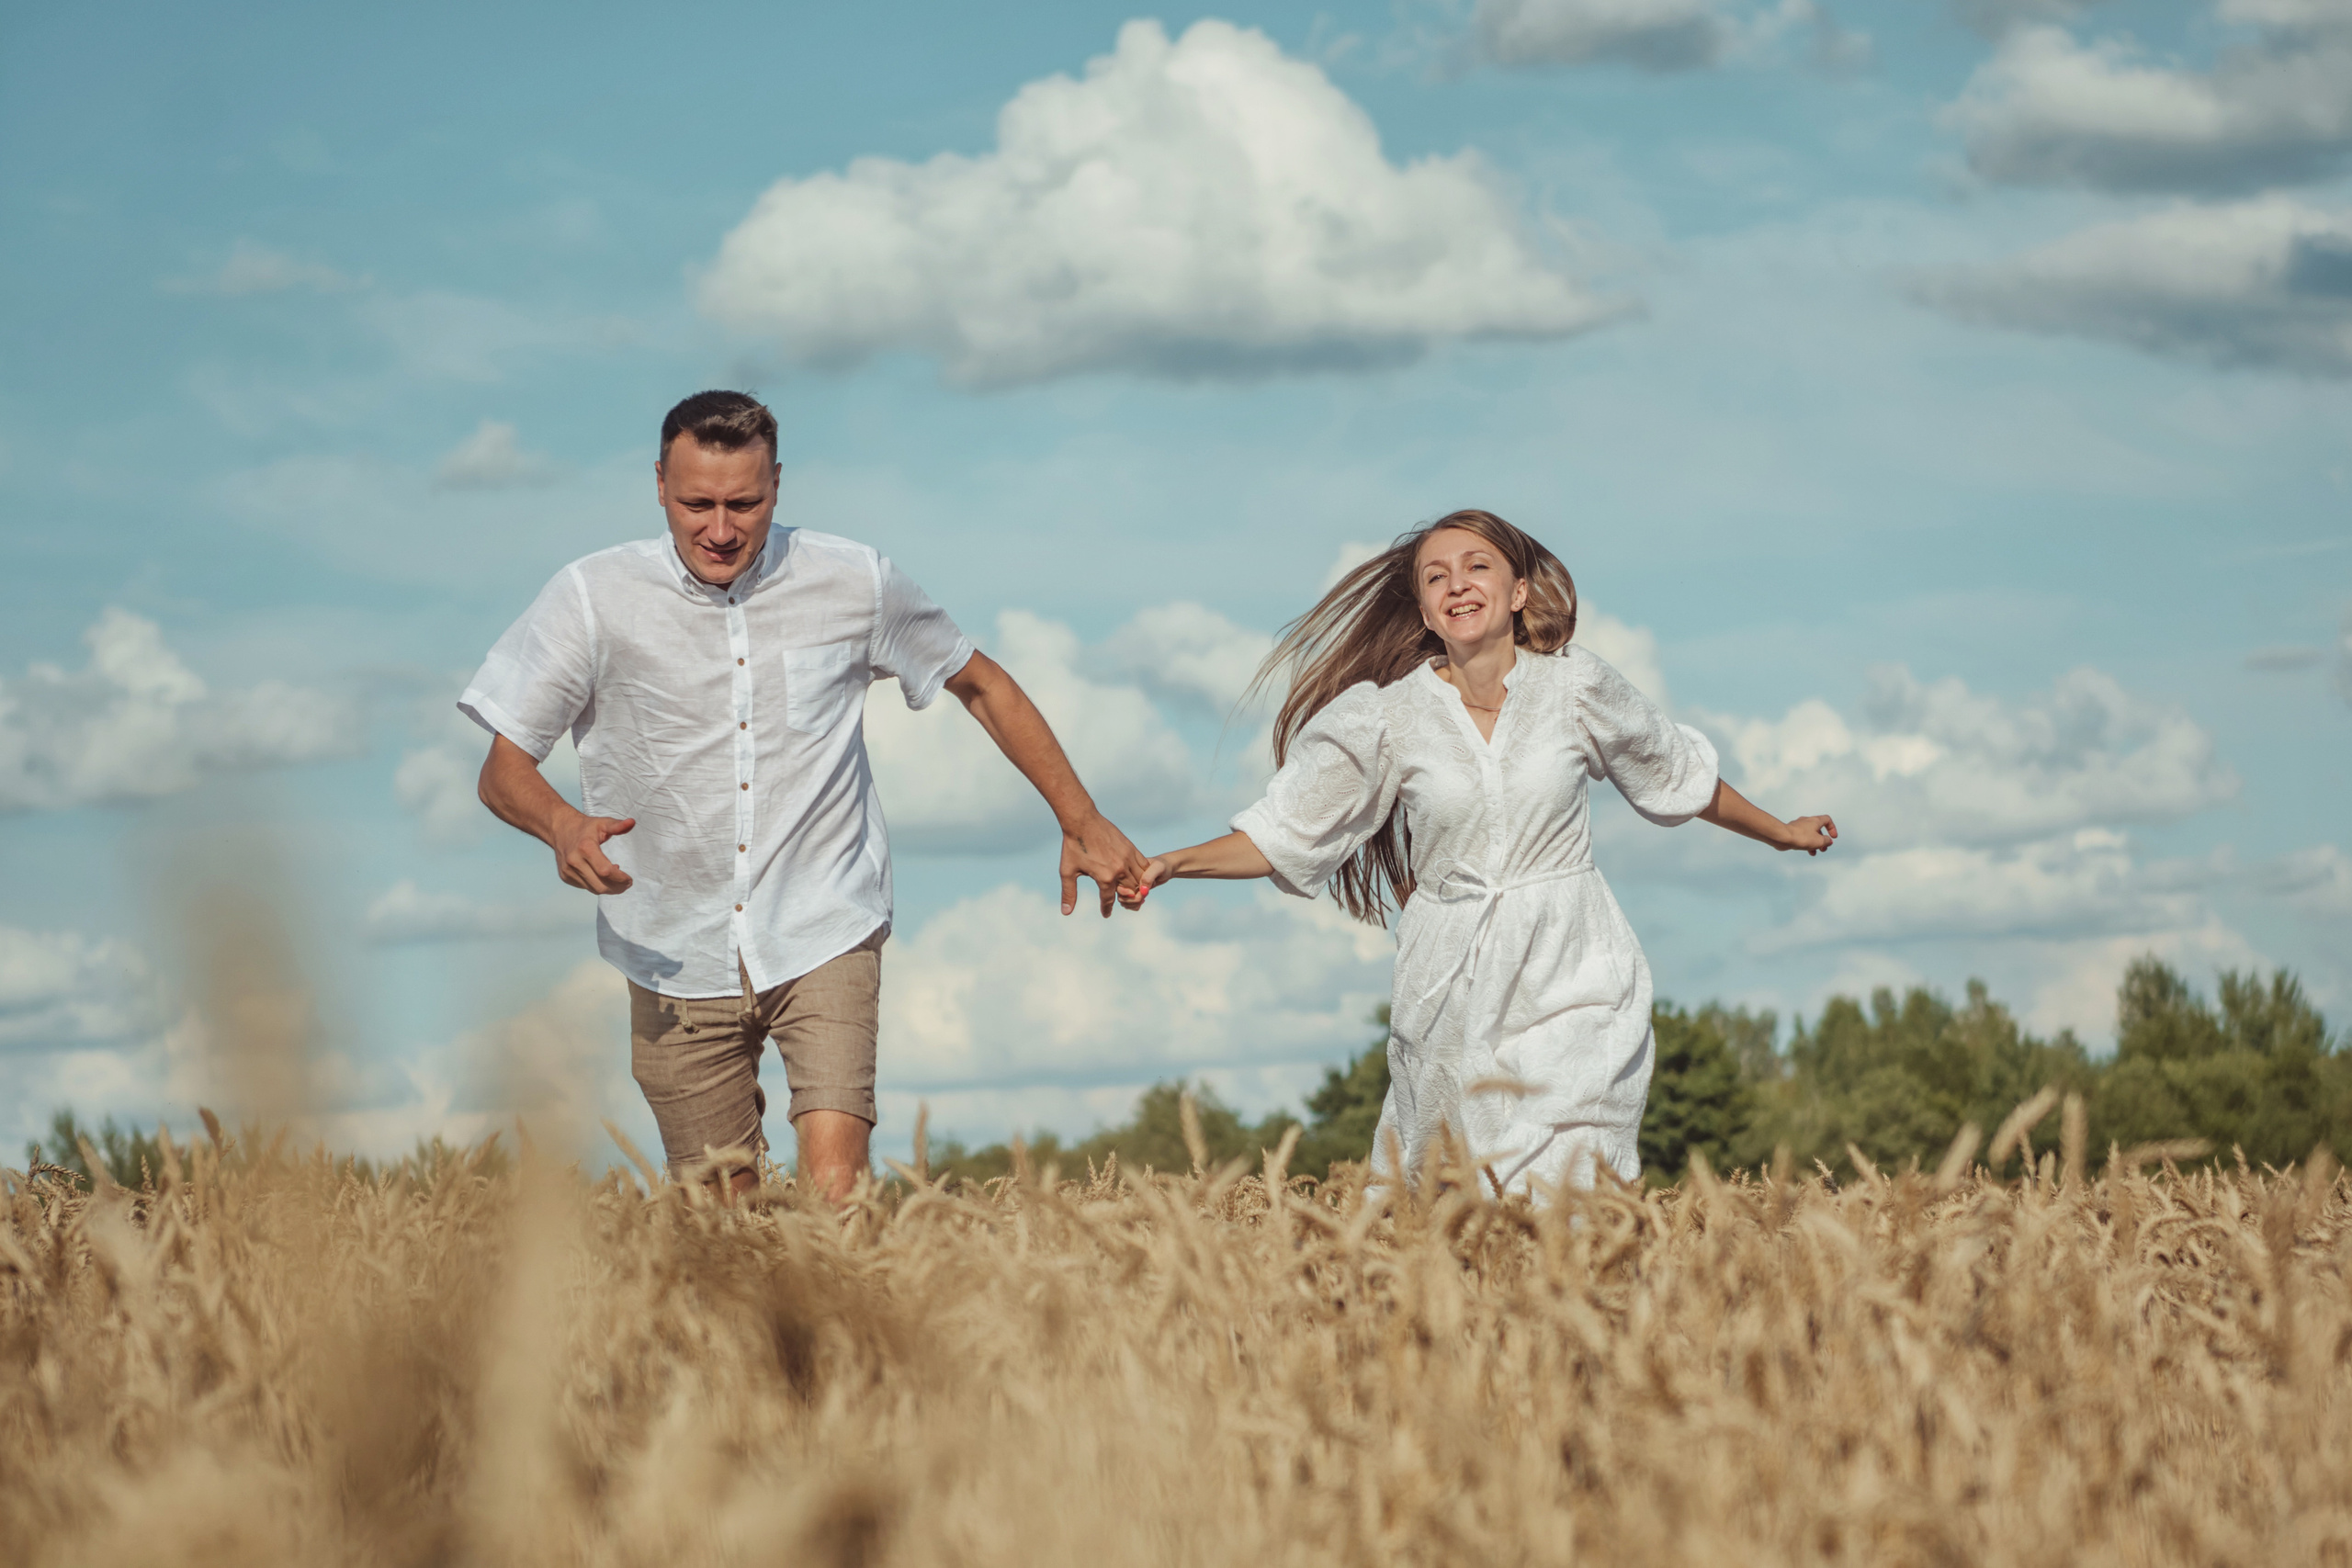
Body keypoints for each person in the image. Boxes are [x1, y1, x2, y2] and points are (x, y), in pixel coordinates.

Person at [461, 390, 1147, 1201]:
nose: (720, 528)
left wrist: (1082, 819)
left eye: (744, 503)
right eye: (697, 503)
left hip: (825, 922)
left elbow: (982, 683)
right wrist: (562, 825)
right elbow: (502, 769)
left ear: (778, 486)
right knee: (729, 1224)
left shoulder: (854, 580)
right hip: (670, 949)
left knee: (835, 1193)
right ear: (657, 485)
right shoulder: (590, 598)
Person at [1122, 510, 1834, 1198]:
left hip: (1573, 963)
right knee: (1460, 1194)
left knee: (1572, 1176)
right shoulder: (1387, 717)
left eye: (1477, 566)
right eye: (1436, 577)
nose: (1456, 583)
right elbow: (1287, 832)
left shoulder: (1576, 687)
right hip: (1452, 979)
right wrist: (1171, 863)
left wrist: (1780, 830)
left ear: (1518, 592)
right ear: (1426, 612)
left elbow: (1674, 771)